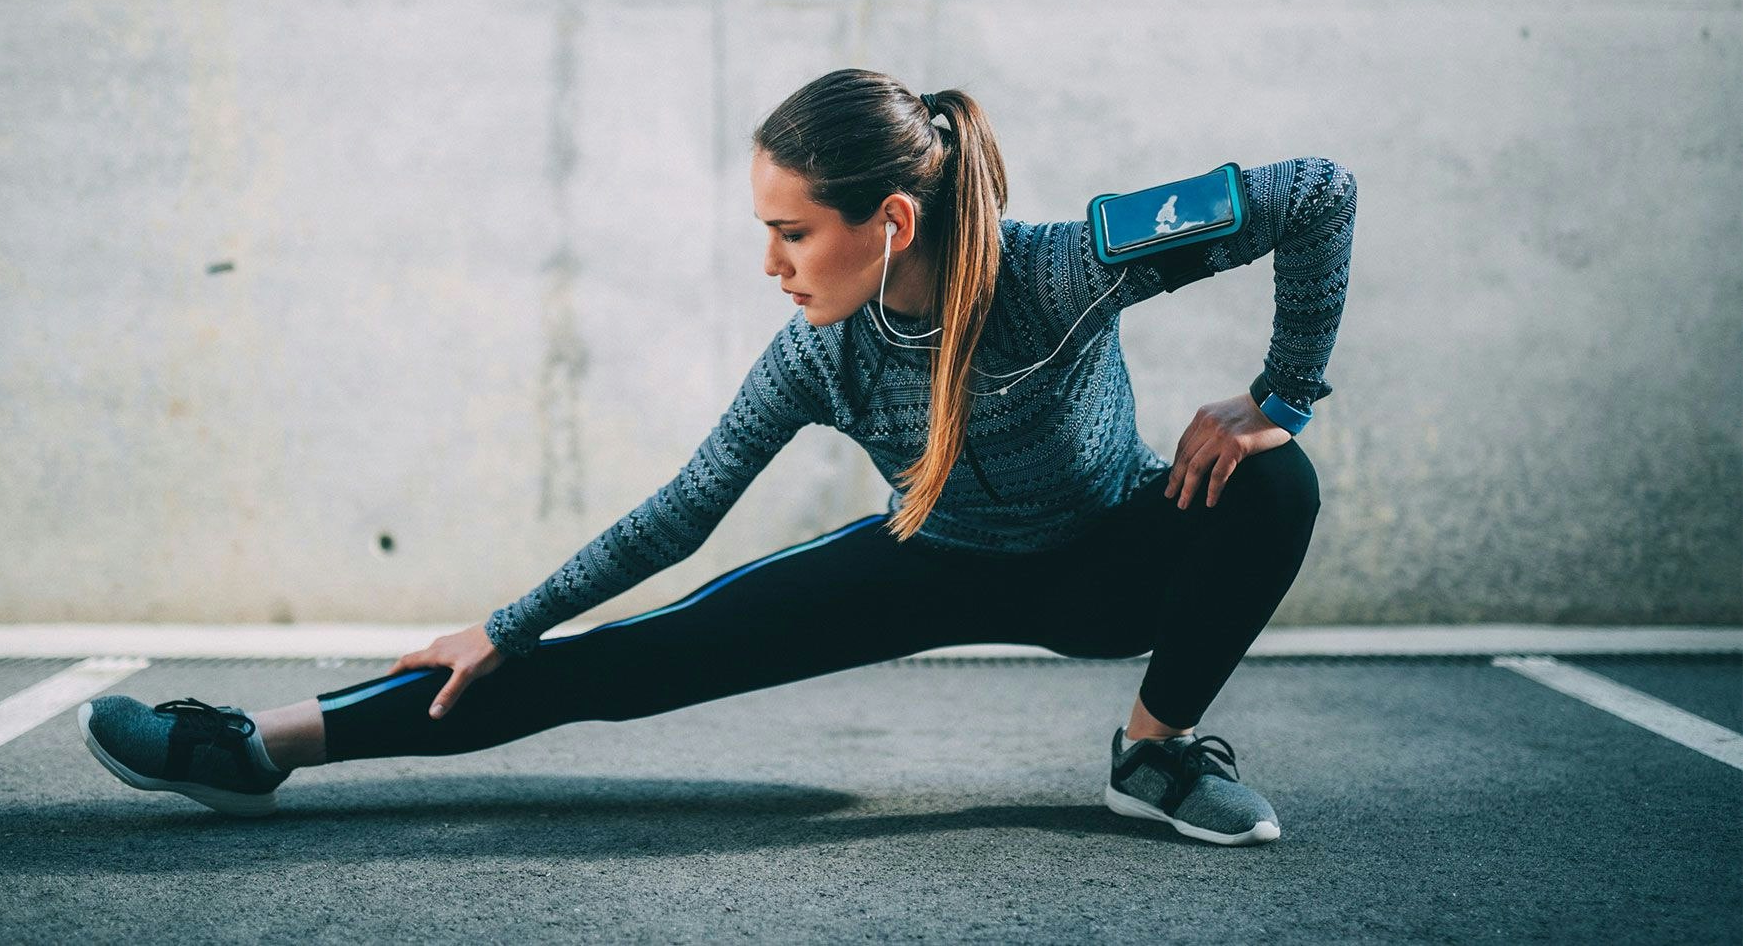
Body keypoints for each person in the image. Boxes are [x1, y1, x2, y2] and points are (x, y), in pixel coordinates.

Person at [78, 68, 1356, 847]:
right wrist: (503, 621)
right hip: (932, 560)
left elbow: (1318, 189)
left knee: (1276, 479)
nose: (771, 264)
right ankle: (259, 746)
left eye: (791, 232)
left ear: (889, 219)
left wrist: (1278, 393)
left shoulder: (1070, 263)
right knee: (619, 661)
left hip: (1109, 561)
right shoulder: (818, 356)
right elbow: (682, 513)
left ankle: (1153, 750)